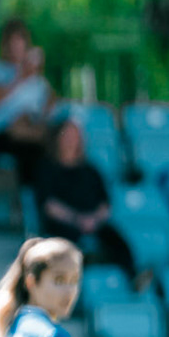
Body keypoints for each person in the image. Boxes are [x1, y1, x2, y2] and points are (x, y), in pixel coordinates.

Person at [33, 113, 136, 281]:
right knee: (68, 242)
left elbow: (105, 204)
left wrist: (93, 220)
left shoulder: (91, 170)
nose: (71, 140)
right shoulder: (47, 168)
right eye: (68, 135)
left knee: (116, 239)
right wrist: (76, 219)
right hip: (64, 224)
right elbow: (49, 205)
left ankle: (133, 277)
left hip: (92, 223)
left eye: (75, 135)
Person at [0, 19, 57, 183]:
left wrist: (43, 84)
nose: (14, 48)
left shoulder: (37, 81)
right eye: (10, 43)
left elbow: (49, 109)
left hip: (31, 131)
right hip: (0, 134)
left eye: (19, 43)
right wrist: (21, 76)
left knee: (58, 146)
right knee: (36, 152)